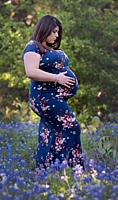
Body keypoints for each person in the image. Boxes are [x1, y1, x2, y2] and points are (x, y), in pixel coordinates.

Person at [22, 15, 84, 171]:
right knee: (71, 126)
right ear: (45, 29)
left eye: (58, 32)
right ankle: (66, 167)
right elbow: (31, 71)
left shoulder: (48, 49)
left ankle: (45, 169)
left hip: (53, 97)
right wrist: (57, 78)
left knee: (48, 131)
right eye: (54, 31)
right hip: (44, 98)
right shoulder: (33, 46)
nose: (56, 35)